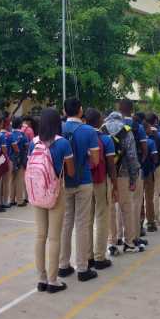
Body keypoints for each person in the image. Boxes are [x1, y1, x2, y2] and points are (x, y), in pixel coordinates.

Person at [31, 108, 74, 294]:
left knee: (40, 236)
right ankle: (53, 280)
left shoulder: (33, 142)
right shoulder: (63, 143)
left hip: (37, 193)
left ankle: (41, 278)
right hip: (55, 192)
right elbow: (70, 172)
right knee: (54, 237)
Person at [58, 98, 99, 282]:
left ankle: (63, 265)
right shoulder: (88, 131)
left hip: (64, 181)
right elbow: (96, 161)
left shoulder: (59, 129)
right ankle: (83, 268)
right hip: (83, 181)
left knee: (66, 223)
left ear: (64, 111)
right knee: (82, 223)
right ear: (80, 110)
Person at [105, 111, 143, 253]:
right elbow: (132, 157)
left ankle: (112, 243)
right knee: (126, 209)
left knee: (109, 209)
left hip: (107, 176)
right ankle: (129, 243)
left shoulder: (102, 129)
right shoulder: (127, 131)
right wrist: (133, 179)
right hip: (123, 174)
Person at [84, 108, 114, 269]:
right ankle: (100, 257)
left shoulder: (81, 136)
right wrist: (114, 183)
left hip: (85, 181)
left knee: (87, 220)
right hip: (101, 180)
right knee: (102, 217)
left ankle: (88, 256)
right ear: (99, 121)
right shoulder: (105, 139)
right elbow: (110, 164)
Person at [9, 117, 29, 207]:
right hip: (20, 159)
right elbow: (27, 147)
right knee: (19, 180)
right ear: (20, 125)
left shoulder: (9, 134)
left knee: (12, 179)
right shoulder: (23, 135)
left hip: (11, 159)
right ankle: (20, 200)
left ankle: (12, 199)